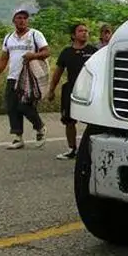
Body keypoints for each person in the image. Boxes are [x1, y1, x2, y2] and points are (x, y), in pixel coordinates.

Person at [0, 8, 50, 150]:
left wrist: (33, 56)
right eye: (19, 17)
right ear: (13, 20)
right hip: (13, 76)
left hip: (29, 77)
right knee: (11, 107)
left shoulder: (35, 34)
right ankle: (18, 137)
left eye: (24, 18)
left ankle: (40, 128)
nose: (22, 20)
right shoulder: (9, 37)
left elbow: (47, 51)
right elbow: (4, 59)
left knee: (24, 106)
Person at [47, 22, 98, 160]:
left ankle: (91, 150)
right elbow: (58, 72)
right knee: (69, 121)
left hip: (89, 90)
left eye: (86, 31)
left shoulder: (94, 51)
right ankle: (72, 149)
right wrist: (51, 90)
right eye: (81, 31)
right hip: (71, 89)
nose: (85, 33)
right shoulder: (66, 52)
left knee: (93, 122)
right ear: (73, 35)